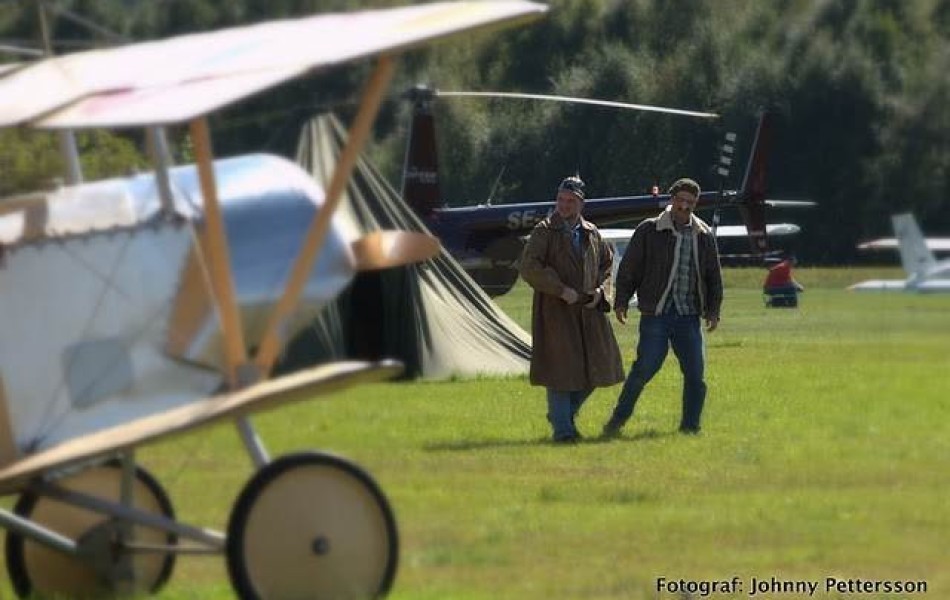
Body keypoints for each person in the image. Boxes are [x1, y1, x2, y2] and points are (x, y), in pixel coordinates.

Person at [602, 178, 723, 436]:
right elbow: (630, 268)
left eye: (690, 202)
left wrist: (713, 311)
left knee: (696, 375)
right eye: (681, 200)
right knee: (644, 369)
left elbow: (714, 276)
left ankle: (690, 427)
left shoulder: (703, 236)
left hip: (689, 316)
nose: (685, 206)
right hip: (656, 314)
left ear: (695, 204)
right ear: (672, 200)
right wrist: (621, 301)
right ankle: (617, 420)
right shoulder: (649, 230)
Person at [519, 175, 624, 443]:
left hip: (589, 313)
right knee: (560, 373)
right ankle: (563, 432)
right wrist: (560, 289)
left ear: (581, 203)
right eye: (561, 200)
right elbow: (529, 267)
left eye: (570, 201)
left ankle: (561, 416)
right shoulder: (544, 231)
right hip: (555, 313)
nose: (564, 205)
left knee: (599, 368)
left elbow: (607, 266)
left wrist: (601, 292)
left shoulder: (592, 232)